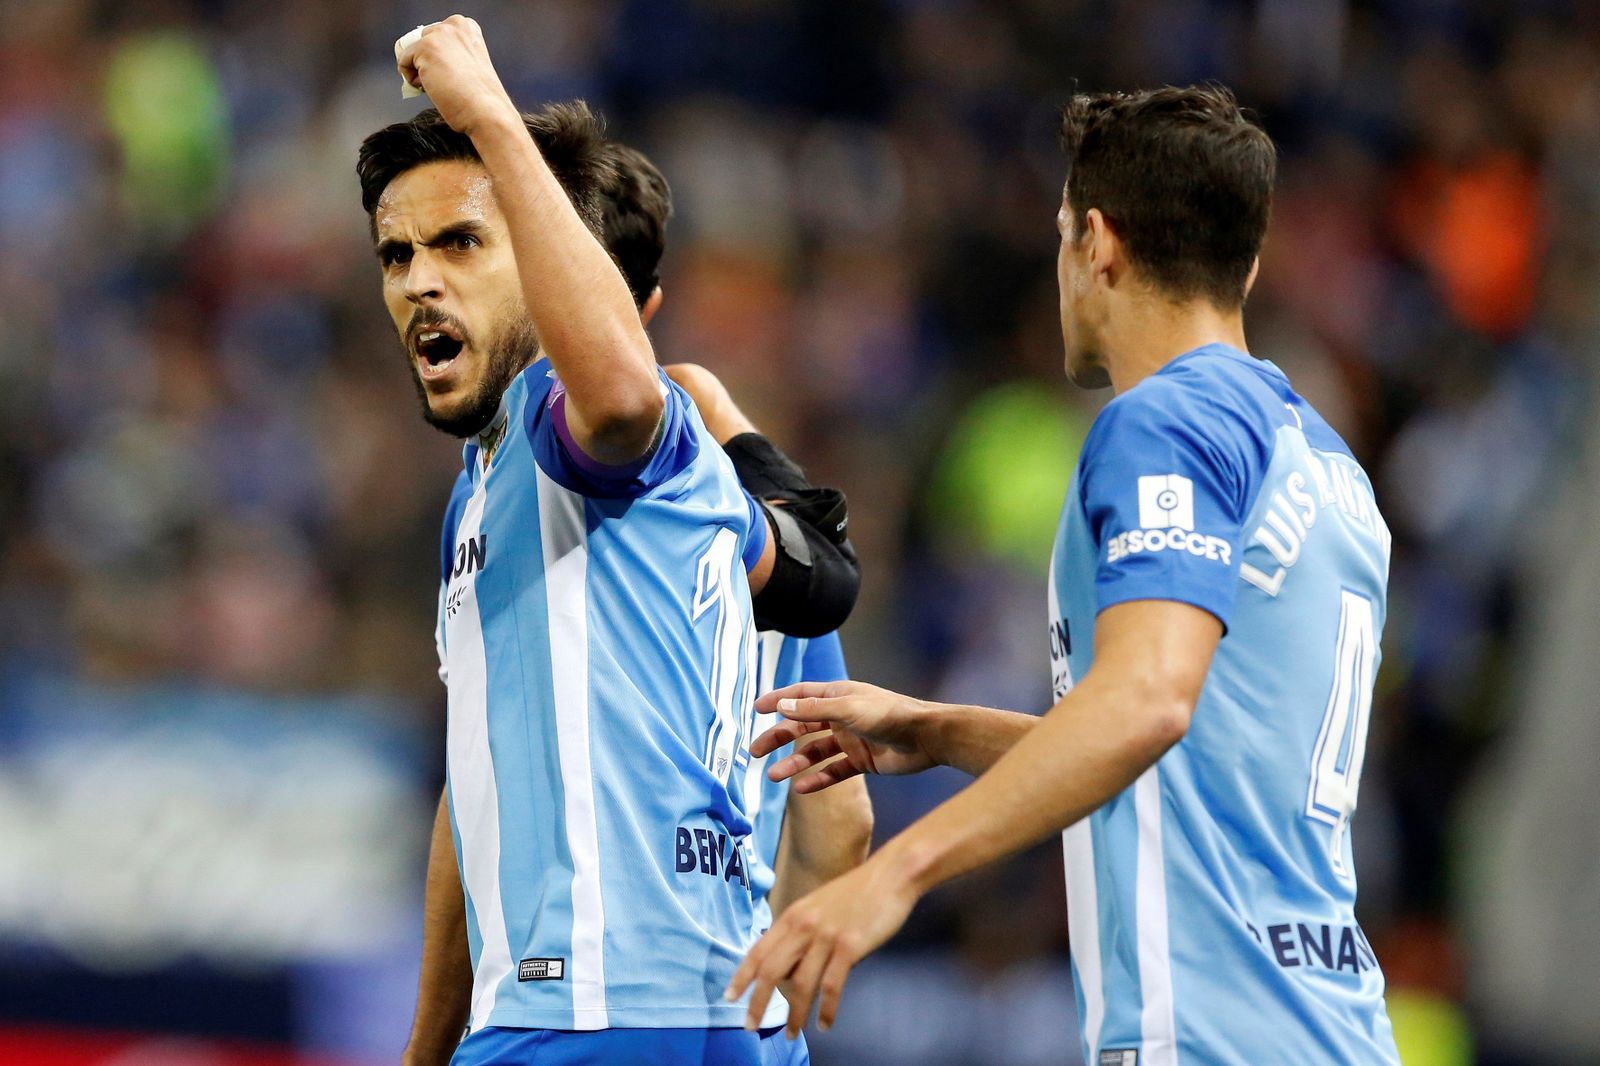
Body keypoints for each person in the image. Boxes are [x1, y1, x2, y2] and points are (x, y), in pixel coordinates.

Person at [729, 85, 1403, 1064]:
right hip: (1329, 1027)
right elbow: (1193, 763)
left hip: (1207, 1036)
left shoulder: (1165, 422)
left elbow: (1145, 703)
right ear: (1245, 263)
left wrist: (897, 873)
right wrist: (936, 728)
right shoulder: (1323, 461)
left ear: (1095, 241)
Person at [367, 17, 856, 1065]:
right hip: (722, 1018)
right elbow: (840, 820)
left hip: (585, 1013)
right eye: (396, 254)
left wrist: (489, 113)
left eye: (460, 242)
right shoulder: (506, 483)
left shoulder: (577, 424)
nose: (417, 281)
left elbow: (624, 398)